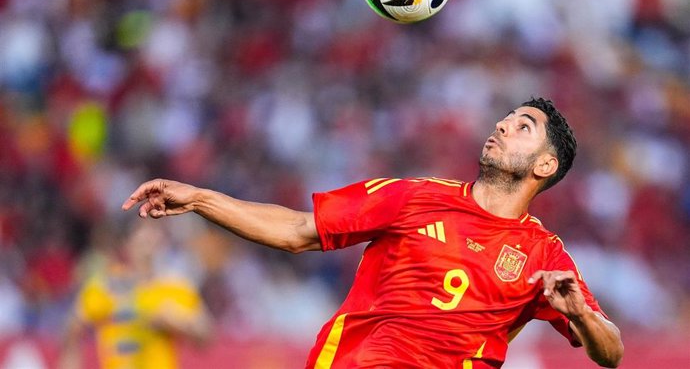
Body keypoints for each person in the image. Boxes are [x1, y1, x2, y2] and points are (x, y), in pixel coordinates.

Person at [122, 97, 624, 368]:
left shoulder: (543, 255)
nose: (501, 125)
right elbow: (299, 230)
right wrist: (202, 199)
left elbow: (611, 354)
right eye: (506, 118)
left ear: (545, 163)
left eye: (523, 126)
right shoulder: (413, 195)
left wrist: (580, 312)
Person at [60, 221, 212, 369]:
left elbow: (206, 335)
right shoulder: (107, 285)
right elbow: (72, 331)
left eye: (156, 231)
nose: (150, 238)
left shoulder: (174, 286)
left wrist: (178, 322)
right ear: (127, 242)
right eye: (143, 231)